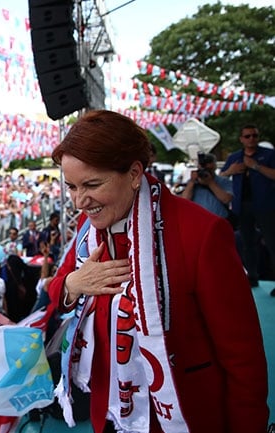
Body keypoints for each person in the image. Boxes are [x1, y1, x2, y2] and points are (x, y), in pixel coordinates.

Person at [46, 110, 268, 433]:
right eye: (71, 187)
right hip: (107, 414)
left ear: (135, 173)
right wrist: (74, 283)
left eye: (92, 184)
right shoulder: (87, 228)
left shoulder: (202, 233)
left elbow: (243, 359)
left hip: (182, 418)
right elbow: (56, 292)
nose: (80, 201)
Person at [220, 124, 275, 292]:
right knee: (247, 242)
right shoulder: (235, 157)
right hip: (242, 205)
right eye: (247, 136)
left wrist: (255, 166)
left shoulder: (269, 155)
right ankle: (252, 276)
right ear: (241, 139)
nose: (251, 139)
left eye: (254, 135)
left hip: (266, 205)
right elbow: (220, 176)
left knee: (272, 243)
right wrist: (232, 170)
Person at [179, 152, 233, 218]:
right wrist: (192, 182)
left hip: (219, 220)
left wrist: (210, 183)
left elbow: (226, 199)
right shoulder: (193, 182)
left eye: (209, 169)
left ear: (214, 166)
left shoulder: (223, 181)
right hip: (199, 220)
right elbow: (184, 200)